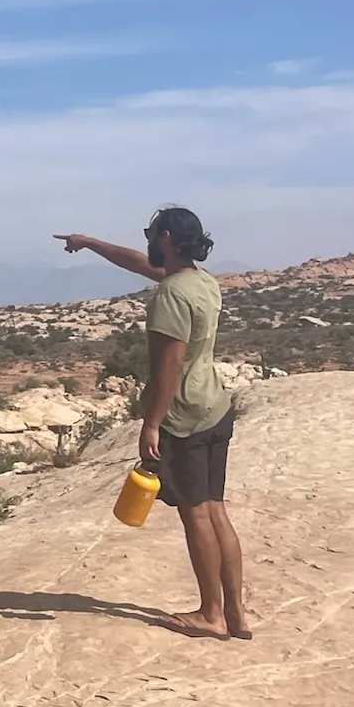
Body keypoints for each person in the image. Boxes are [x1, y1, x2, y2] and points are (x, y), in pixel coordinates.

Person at [55, 207, 248, 640]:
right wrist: (90, 242)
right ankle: (235, 614)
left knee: (195, 514)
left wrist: (151, 424)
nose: (145, 241)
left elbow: (169, 365)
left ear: (164, 237)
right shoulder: (202, 283)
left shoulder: (170, 296)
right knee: (216, 510)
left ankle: (210, 615)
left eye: (148, 233)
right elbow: (144, 265)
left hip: (184, 417)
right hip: (215, 407)